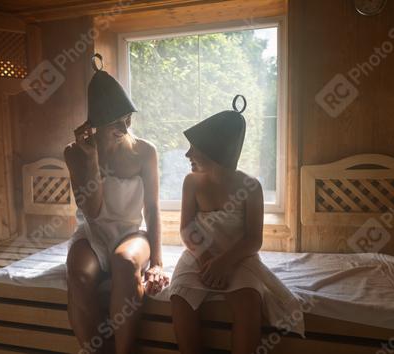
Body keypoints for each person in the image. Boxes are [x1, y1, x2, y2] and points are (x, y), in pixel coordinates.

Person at [168, 95, 304, 354]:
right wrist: (208, 259)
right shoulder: (192, 182)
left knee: (248, 302)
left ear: (215, 151)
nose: (187, 154)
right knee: (179, 299)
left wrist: (224, 262)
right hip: (199, 253)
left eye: (194, 148)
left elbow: (254, 239)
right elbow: (187, 229)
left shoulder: (250, 187)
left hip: (239, 255)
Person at [64, 53, 169, 354]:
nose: (124, 126)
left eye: (128, 117)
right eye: (115, 122)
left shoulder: (145, 152)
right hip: (93, 233)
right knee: (78, 273)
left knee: (124, 263)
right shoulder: (74, 153)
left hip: (131, 234)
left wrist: (158, 262)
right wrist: (91, 159)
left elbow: (152, 208)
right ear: (96, 123)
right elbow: (93, 211)